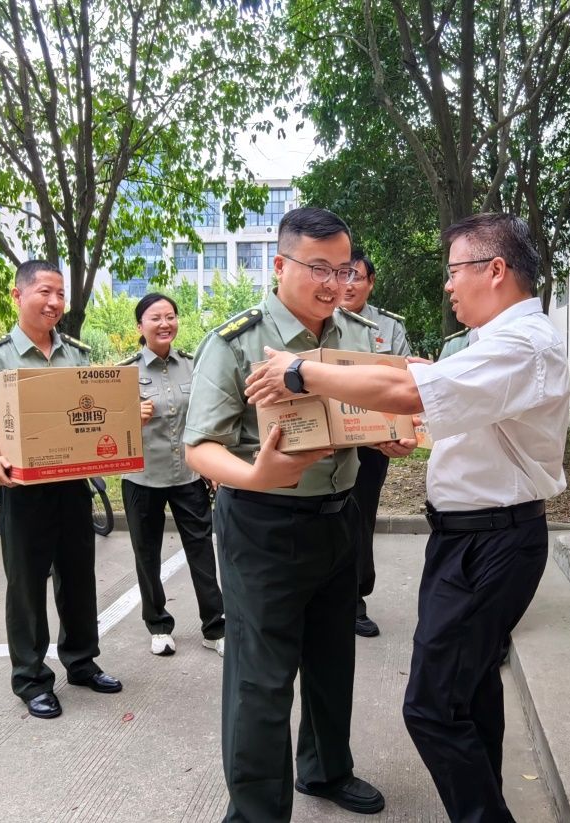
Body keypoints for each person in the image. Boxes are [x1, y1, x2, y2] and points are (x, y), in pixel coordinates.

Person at [245, 213, 568, 822]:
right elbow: (429, 388)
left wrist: (300, 370)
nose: (447, 284)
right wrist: (396, 424)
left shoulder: (522, 344)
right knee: (471, 691)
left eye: (454, 270)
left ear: (495, 270)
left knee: (432, 707)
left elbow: (410, 392)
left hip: (490, 543)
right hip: (475, 538)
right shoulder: (498, 340)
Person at [183, 207, 387, 822]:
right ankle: (255, 813)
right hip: (263, 522)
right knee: (261, 680)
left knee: (332, 660)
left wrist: (391, 435)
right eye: (318, 268)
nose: (333, 283)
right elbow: (199, 446)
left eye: (343, 270)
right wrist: (256, 475)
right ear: (280, 265)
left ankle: (324, 769)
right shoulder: (236, 342)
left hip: (339, 516)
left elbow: (370, 414)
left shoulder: (356, 336)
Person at [0, 260, 123, 720]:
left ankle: (82, 662)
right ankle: (31, 679)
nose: (54, 302)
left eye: (60, 294)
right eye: (45, 292)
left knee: (78, 577)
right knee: (26, 585)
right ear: (18, 295)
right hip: (22, 489)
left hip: (71, 486)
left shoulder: (76, 354)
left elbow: (90, 414)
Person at [117, 293, 225, 658]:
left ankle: (215, 626)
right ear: (140, 326)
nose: (165, 324)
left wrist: (212, 464)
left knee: (202, 551)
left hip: (188, 476)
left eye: (170, 316)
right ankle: (158, 626)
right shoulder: (123, 373)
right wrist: (129, 416)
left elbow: (206, 420)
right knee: (146, 554)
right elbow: (106, 432)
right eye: (155, 318)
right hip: (142, 478)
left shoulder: (193, 365)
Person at [340, 250, 412, 637]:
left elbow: (402, 382)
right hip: (325, 443)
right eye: (342, 274)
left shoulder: (388, 327)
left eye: (356, 276)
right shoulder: (318, 318)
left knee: (360, 518)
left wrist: (399, 432)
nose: (348, 283)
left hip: (371, 445)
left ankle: (354, 600)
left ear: (370, 282)